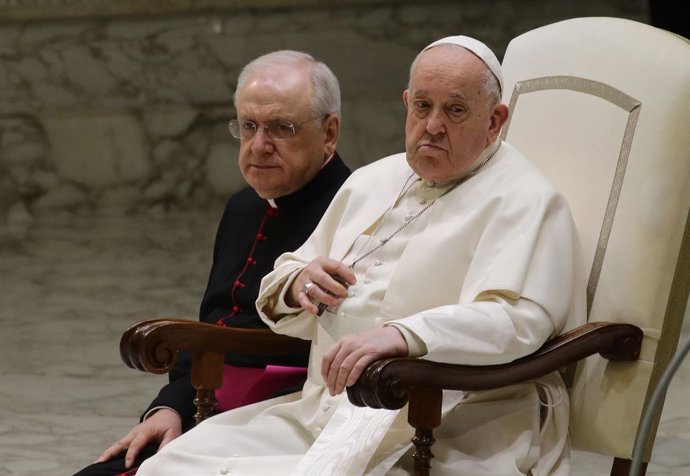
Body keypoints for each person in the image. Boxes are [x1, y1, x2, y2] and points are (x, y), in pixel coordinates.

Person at [135, 35, 586, 476]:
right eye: (422, 106)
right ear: (406, 103)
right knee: (170, 465)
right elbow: (289, 271)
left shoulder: (527, 200)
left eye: (455, 110)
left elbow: (516, 320)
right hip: (320, 412)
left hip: (449, 427)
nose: (432, 125)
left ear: (495, 120)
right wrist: (297, 285)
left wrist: (403, 336)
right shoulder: (373, 180)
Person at [74, 50, 351, 476]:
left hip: (282, 422)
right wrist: (169, 407)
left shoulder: (356, 209)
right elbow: (215, 322)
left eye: (282, 128)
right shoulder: (243, 206)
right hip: (205, 405)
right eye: (248, 126)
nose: (259, 145)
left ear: (329, 133)